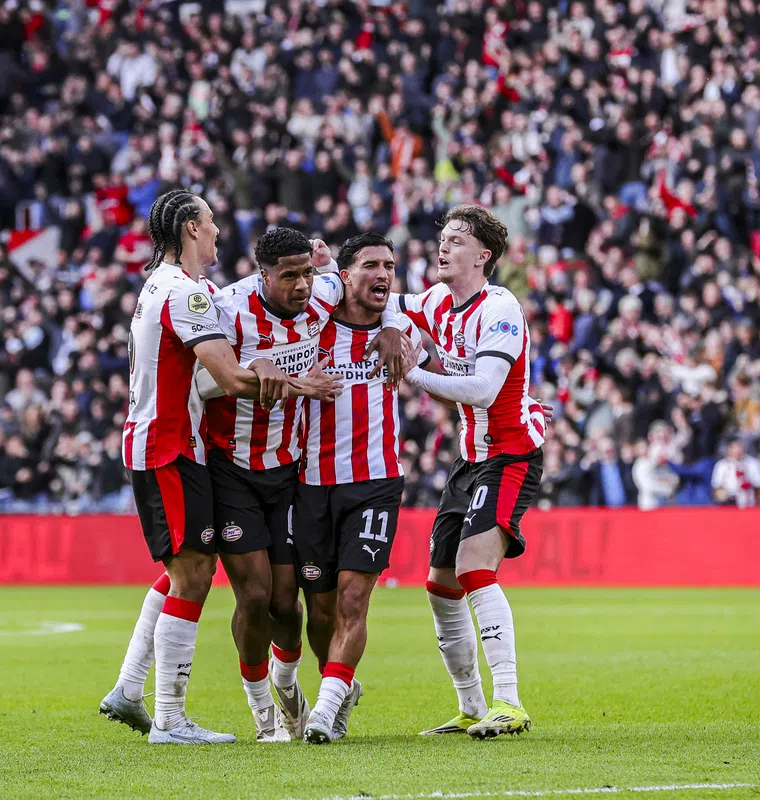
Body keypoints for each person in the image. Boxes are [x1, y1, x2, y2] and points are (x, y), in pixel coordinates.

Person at [200, 228, 410, 742]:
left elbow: (378, 286)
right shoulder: (229, 308)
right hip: (232, 469)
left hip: (290, 473)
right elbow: (206, 381)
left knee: (291, 605)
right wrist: (255, 366)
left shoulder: (324, 293)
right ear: (263, 275)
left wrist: (393, 323)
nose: (301, 285)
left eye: (307, 274)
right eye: (288, 276)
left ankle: (297, 687)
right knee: (255, 598)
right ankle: (263, 710)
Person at [98, 189, 290, 744]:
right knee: (194, 575)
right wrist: (298, 383)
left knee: (187, 565)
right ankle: (170, 718)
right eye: (210, 223)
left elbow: (205, 377)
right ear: (188, 228)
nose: (216, 232)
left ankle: (130, 691)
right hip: (167, 447)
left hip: (178, 445)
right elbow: (227, 380)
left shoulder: (171, 286)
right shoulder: (184, 293)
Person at [398, 205, 546, 739]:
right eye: (442, 238)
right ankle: (470, 705)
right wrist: (334, 275)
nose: (444, 246)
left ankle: (509, 703)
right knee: (440, 584)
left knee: (473, 567)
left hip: (510, 455)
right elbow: (387, 307)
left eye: (457, 240)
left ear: (483, 256)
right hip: (470, 457)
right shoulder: (437, 301)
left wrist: (412, 370)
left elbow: (484, 389)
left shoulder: (501, 308)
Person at [293, 232, 429, 744]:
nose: (383, 273)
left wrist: (394, 325)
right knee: (320, 608)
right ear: (343, 276)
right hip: (310, 483)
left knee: (354, 598)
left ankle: (324, 714)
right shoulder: (313, 323)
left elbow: (439, 328)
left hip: (375, 482)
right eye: (371, 264)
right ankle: (342, 687)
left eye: (390, 265)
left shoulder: (402, 323)